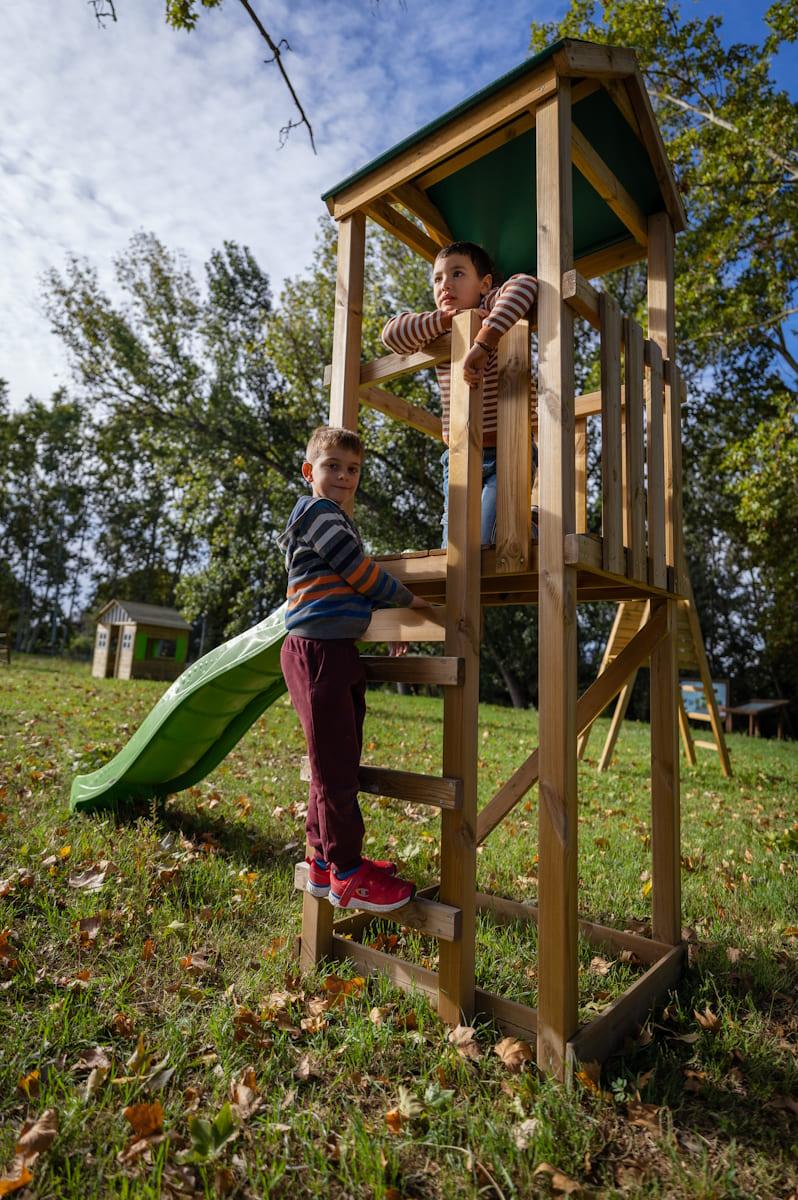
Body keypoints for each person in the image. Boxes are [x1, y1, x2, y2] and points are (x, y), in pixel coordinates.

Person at [277, 425, 430, 914]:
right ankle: (347, 873)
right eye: (332, 467)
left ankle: (324, 860)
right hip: (317, 652)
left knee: (336, 760)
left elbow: (349, 587)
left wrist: (384, 628)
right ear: (309, 472)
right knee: (334, 769)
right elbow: (359, 572)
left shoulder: (337, 519)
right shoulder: (318, 515)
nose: (344, 476)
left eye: (353, 469)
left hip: (336, 651)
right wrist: (409, 604)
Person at [381, 241, 538, 547]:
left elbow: (524, 285)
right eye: (438, 278)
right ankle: (523, 525)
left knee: (486, 541)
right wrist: (443, 319)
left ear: (485, 284)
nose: (446, 284)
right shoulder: (436, 328)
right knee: (453, 549)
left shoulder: (492, 306)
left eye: (457, 274)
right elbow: (391, 334)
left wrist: (484, 341)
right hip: (458, 455)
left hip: (509, 449)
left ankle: (534, 531)